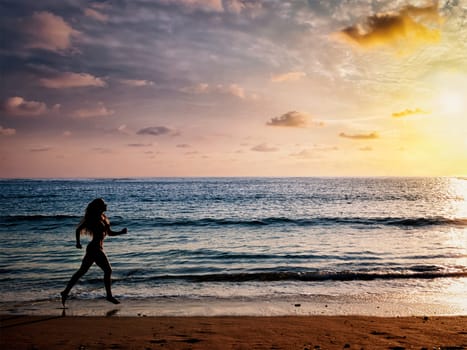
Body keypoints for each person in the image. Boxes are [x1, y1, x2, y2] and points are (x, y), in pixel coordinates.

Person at [61, 198, 127, 306]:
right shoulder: (92, 218)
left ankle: (65, 292)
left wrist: (121, 232)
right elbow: (78, 230)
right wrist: (77, 243)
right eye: (103, 204)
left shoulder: (104, 218)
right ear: (98, 207)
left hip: (97, 249)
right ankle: (109, 296)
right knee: (108, 270)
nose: (106, 205)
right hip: (94, 248)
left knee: (81, 272)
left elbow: (109, 233)